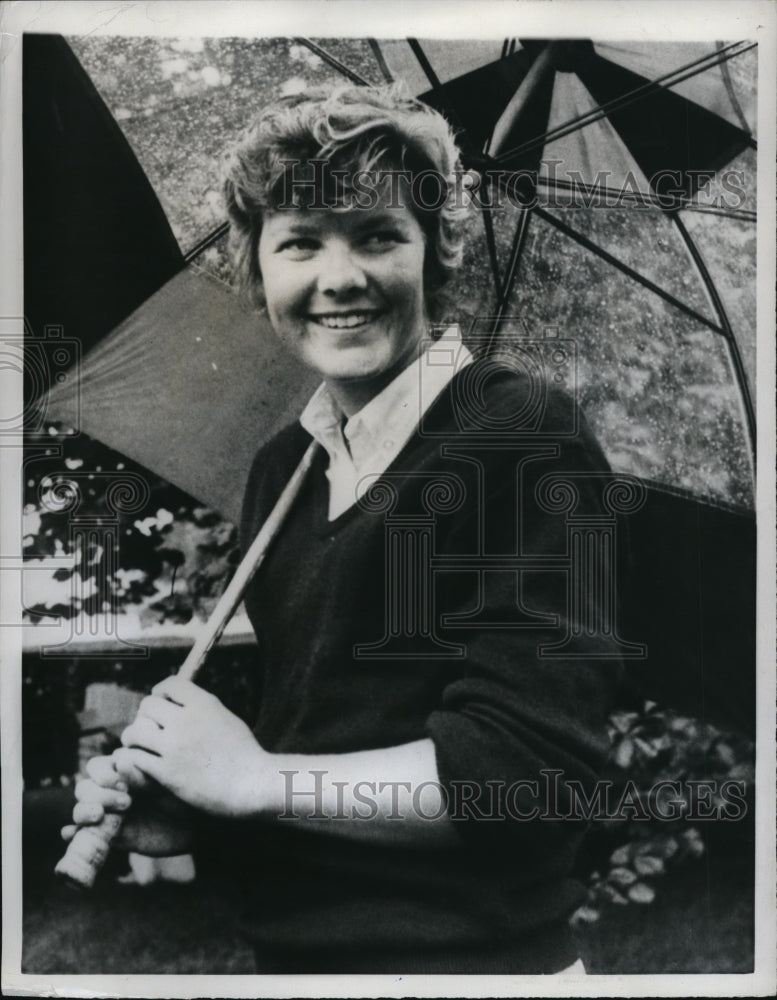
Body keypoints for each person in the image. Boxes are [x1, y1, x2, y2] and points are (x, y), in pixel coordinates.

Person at [63, 84, 622, 974]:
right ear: (257, 270)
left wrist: (253, 781)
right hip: (294, 965)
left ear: (434, 252)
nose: (339, 278)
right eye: (298, 243)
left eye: (375, 235)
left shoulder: (517, 434)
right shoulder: (283, 466)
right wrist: (189, 800)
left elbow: (522, 778)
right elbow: (316, 745)